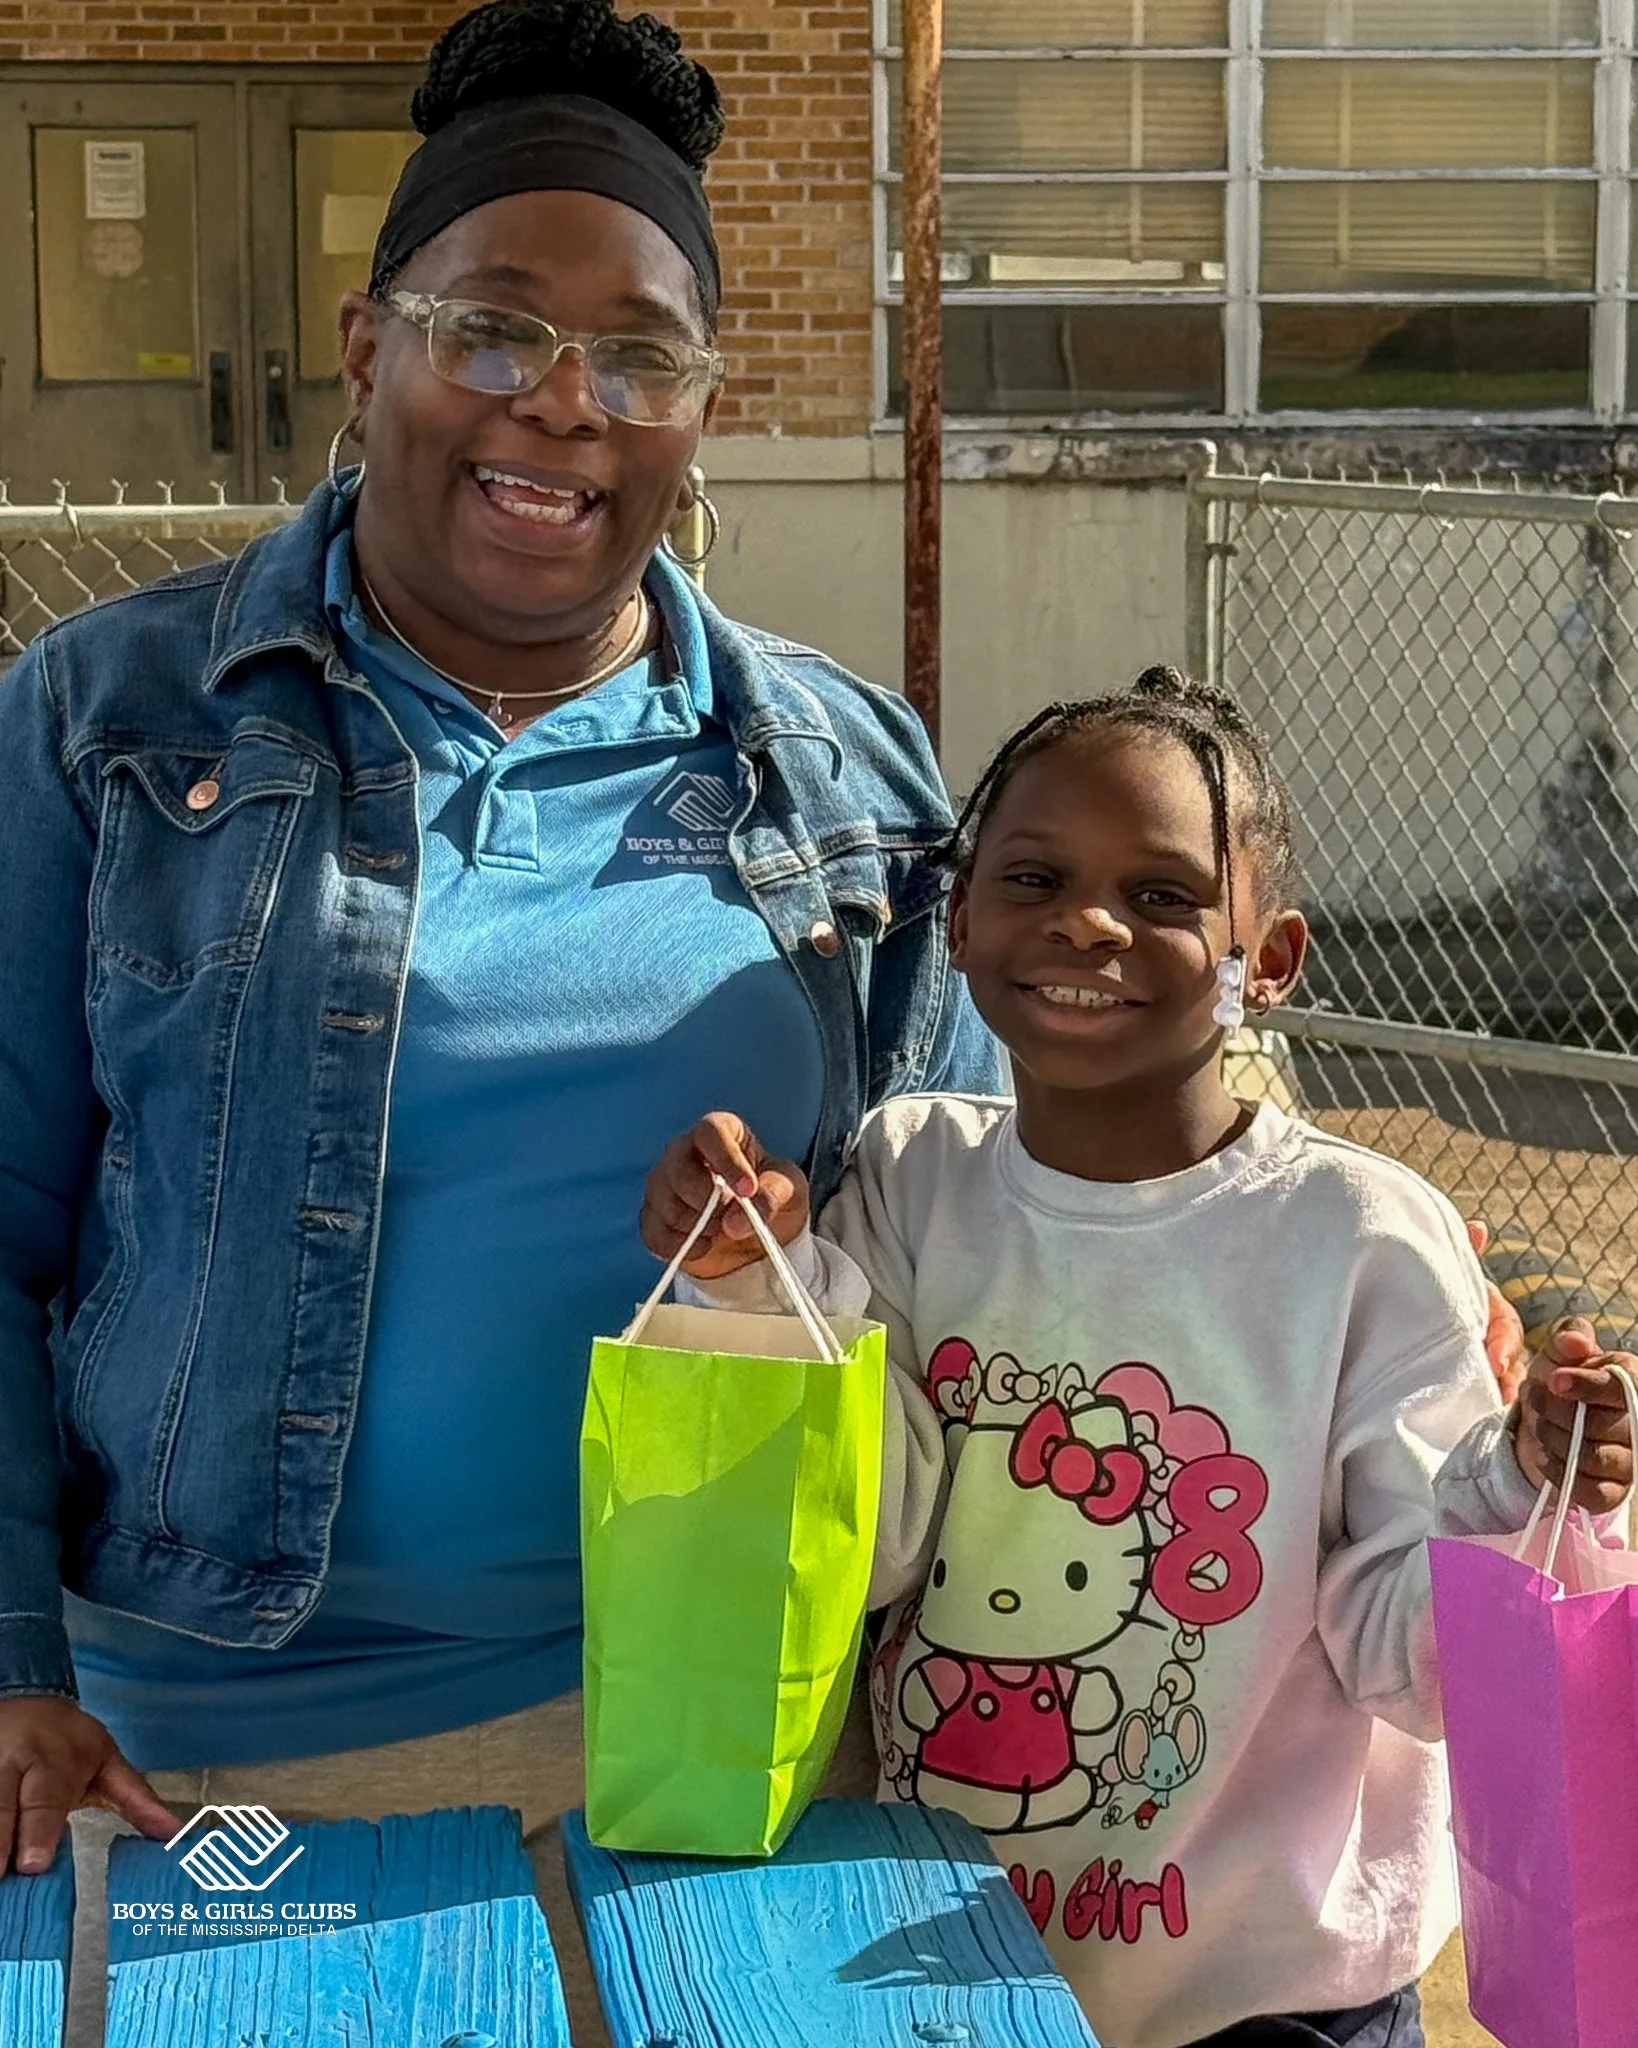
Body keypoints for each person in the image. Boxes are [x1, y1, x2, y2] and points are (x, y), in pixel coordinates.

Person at [0, 3, 997, 2038]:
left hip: (735, 1750)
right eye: (497, 332)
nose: (564, 408)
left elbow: (985, 1243)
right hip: (203, 1760)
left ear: (700, 412)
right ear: (371, 349)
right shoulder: (111, 730)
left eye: (642, 356)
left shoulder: (846, 775)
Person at [643, 667, 1636, 2048]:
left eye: (1163, 896)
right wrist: (759, 1288)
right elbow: (858, 1546)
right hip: (942, 1966)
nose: (1088, 923)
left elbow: (1408, 1661)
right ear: (959, 915)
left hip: (1280, 2002)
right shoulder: (912, 1179)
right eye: (1034, 878)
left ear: (1268, 958)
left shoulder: (1358, 1237)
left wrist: (1525, 1494)